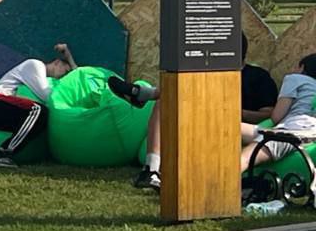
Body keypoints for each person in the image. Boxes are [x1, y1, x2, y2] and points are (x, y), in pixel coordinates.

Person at [118, 33, 281, 190]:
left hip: (234, 124)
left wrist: (233, 111)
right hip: (203, 117)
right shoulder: (210, 75)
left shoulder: (259, 77)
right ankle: (151, 170)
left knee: (172, 96)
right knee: (166, 100)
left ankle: (146, 94)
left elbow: (268, 114)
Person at [0, 43, 78, 168]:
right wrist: (67, 55)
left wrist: (69, 58)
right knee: (38, 110)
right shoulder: (35, 64)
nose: (64, 76)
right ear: (57, 62)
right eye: (65, 71)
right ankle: (4, 154)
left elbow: (76, 75)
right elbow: (46, 95)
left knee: (37, 122)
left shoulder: (44, 78)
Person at [238, 54, 316, 173]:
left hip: (292, 133)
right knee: (234, 128)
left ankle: (220, 189)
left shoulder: (295, 79)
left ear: (302, 67)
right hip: (304, 134)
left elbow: (276, 117)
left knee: (245, 158)